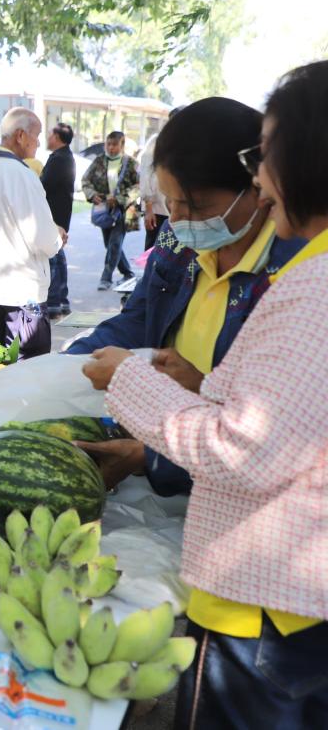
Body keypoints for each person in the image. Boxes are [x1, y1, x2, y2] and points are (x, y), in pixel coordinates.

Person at [80, 62, 328, 730]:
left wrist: (134, 392)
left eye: (266, 152)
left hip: (270, 600)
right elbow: (284, 405)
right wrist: (202, 383)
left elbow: (249, 445)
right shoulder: (189, 255)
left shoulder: (305, 284)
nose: (260, 170)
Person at [66, 97, 304, 495]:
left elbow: (269, 436)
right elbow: (137, 321)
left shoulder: (296, 278)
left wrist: (151, 453)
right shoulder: (179, 243)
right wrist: (60, 370)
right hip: (166, 453)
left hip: (228, 484)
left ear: (257, 188)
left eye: (195, 205)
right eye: (168, 201)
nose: (175, 219)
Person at [0, 107, 64, 358]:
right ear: (20, 135)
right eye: (36, 135)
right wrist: (57, 235)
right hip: (22, 293)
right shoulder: (21, 175)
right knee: (29, 370)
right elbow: (45, 240)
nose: (39, 143)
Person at [82, 130, 139, 290]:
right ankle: (128, 273)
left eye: (114, 144)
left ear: (122, 145)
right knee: (110, 244)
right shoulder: (99, 161)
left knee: (115, 243)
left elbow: (140, 187)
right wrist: (92, 195)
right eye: (108, 144)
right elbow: (86, 181)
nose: (111, 148)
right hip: (106, 210)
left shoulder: (132, 164)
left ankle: (106, 278)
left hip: (127, 210)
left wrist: (120, 199)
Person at [40, 123, 77, 317]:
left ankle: (54, 302)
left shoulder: (59, 159)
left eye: (49, 134)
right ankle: (62, 300)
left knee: (52, 259)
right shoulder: (63, 157)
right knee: (58, 258)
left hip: (54, 216)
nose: (47, 137)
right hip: (59, 215)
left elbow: (43, 185)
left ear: (57, 137)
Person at [140, 126, 172, 252]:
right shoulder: (156, 141)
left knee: (171, 252)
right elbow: (146, 174)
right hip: (157, 209)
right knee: (152, 250)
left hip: (177, 210)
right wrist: (148, 208)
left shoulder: (186, 142)